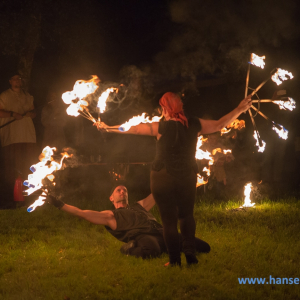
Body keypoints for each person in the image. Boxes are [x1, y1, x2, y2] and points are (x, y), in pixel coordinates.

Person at [95, 92, 252, 266]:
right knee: (186, 216)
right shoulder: (194, 124)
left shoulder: (161, 127)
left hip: (162, 176)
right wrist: (239, 109)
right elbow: (220, 124)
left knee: (168, 220)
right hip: (187, 175)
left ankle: (174, 260)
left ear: (165, 108)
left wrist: (107, 127)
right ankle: (190, 254)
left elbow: (133, 128)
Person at [46, 184, 210, 261]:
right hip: (143, 236)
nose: (122, 191)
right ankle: (127, 250)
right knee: (152, 250)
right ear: (111, 198)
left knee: (204, 247)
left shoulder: (140, 205)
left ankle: (168, 247)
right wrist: (58, 204)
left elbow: (159, 192)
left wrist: (189, 181)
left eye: (125, 190)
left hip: (162, 232)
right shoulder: (110, 215)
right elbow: (81, 213)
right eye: (118, 190)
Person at [0, 72, 36, 208]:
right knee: (12, 168)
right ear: (10, 81)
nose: (17, 81)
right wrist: (12, 114)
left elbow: (33, 112)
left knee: (27, 166)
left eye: (19, 79)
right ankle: (12, 198)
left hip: (28, 136)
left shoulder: (27, 96)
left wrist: (30, 114)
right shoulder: (4, 96)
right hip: (12, 137)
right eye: (14, 79)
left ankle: (27, 197)